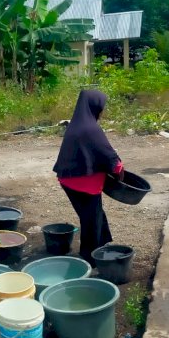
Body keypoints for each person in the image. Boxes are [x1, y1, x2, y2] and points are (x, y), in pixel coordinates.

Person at [53, 90, 123, 263]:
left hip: (69, 179)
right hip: (84, 183)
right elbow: (110, 158)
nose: (102, 110)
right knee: (90, 220)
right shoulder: (91, 129)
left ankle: (104, 242)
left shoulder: (77, 124)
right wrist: (120, 171)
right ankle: (89, 257)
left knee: (94, 214)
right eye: (101, 107)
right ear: (94, 106)